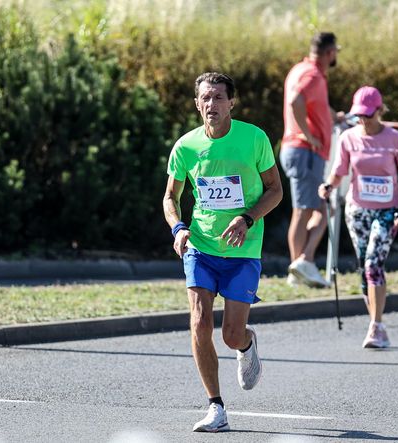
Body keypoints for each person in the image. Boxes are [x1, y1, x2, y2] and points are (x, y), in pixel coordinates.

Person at [163, 72, 283, 432]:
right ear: (197, 103)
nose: (211, 104)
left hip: (243, 248)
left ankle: (246, 345)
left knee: (231, 333)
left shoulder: (253, 138)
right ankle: (216, 406)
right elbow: (171, 196)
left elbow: (275, 190)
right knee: (199, 323)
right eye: (205, 98)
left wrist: (247, 218)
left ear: (232, 102)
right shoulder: (186, 146)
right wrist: (178, 227)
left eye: (218, 97)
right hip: (200, 247)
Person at [318, 86, 398, 348]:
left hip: (387, 210)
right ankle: (375, 322)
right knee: (364, 269)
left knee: (374, 264)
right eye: (359, 115)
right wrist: (328, 185)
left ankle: (376, 326)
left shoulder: (396, 139)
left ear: (380, 111)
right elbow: (339, 171)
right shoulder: (348, 137)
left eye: (368, 115)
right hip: (357, 210)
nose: (363, 120)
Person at [280, 31, 343, 288]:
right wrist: (309, 135)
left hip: (301, 151)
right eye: (336, 52)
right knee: (305, 212)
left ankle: (302, 263)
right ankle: (299, 266)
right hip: (305, 151)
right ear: (329, 53)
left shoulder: (301, 69)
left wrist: (332, 116)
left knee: (323, 208)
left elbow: (314, 105)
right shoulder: (313, 75)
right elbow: (296, 101)